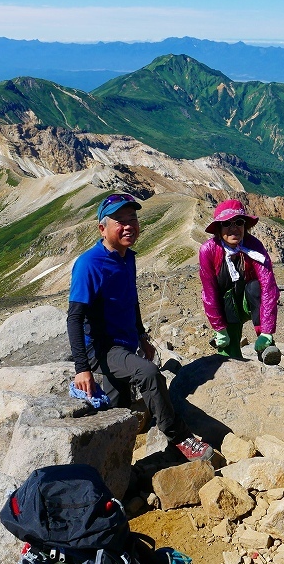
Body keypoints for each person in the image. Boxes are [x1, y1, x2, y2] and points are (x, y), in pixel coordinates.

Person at [67, 192, 213, 462]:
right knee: (148, 372)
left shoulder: (128, 257)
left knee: (116, 412)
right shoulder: (89, 264)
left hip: (124, 343)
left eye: (132, 218)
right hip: (101, 347)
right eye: (119, 221)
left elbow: (130, 299)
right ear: (103, 228)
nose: (128, 226)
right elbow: (74, 318)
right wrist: (82, 369)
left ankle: (114, 465)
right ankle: (179, 437)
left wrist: (141, 336)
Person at [199, 199, 282, 365]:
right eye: (226, 223)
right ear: (218, 228)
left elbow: (268, 287)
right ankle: (229, 346)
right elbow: (209, 293)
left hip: (249, 301)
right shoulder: (208, 250)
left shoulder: (254, 246)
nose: (233, 228)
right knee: (228, 358)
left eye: (238, 222)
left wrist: (267, 330)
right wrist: (219, 328)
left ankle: (264, 345)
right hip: (226, 308)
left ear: (245, 225)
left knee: (256, 287)